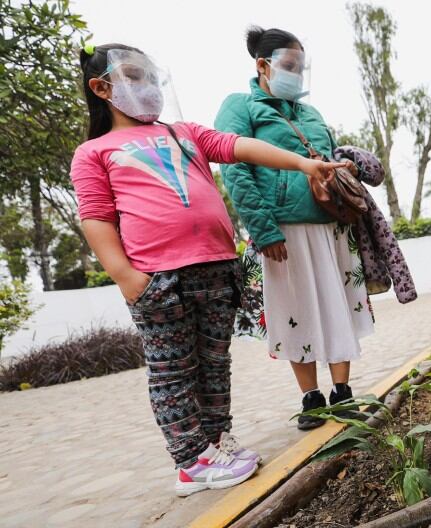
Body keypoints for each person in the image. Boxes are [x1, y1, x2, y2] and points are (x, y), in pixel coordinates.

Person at [71, 43, 350, 496]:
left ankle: (217, 442)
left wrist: (302, 162)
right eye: (133, 76)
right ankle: (189, 462)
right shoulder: (94, 152)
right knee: (173, 372)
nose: (148, 86)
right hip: (159, 280)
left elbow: (238, 146)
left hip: (217, 271)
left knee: (214, 366)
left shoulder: (184, 133)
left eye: (150, 76)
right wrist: (128, 279)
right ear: (102, 88)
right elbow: (96, 218)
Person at [215, 27, 374, 431]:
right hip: (282, 230)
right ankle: (311, 398)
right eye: (288, 65)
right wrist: (264, 229)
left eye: (300, 67)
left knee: (339, 306)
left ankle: (343, 393)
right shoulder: (241, 105)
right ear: (262, 65)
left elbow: (329, 156)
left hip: (332, 227)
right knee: (295, 312)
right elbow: (234, 167)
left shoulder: (311, 113)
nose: (296, 74)